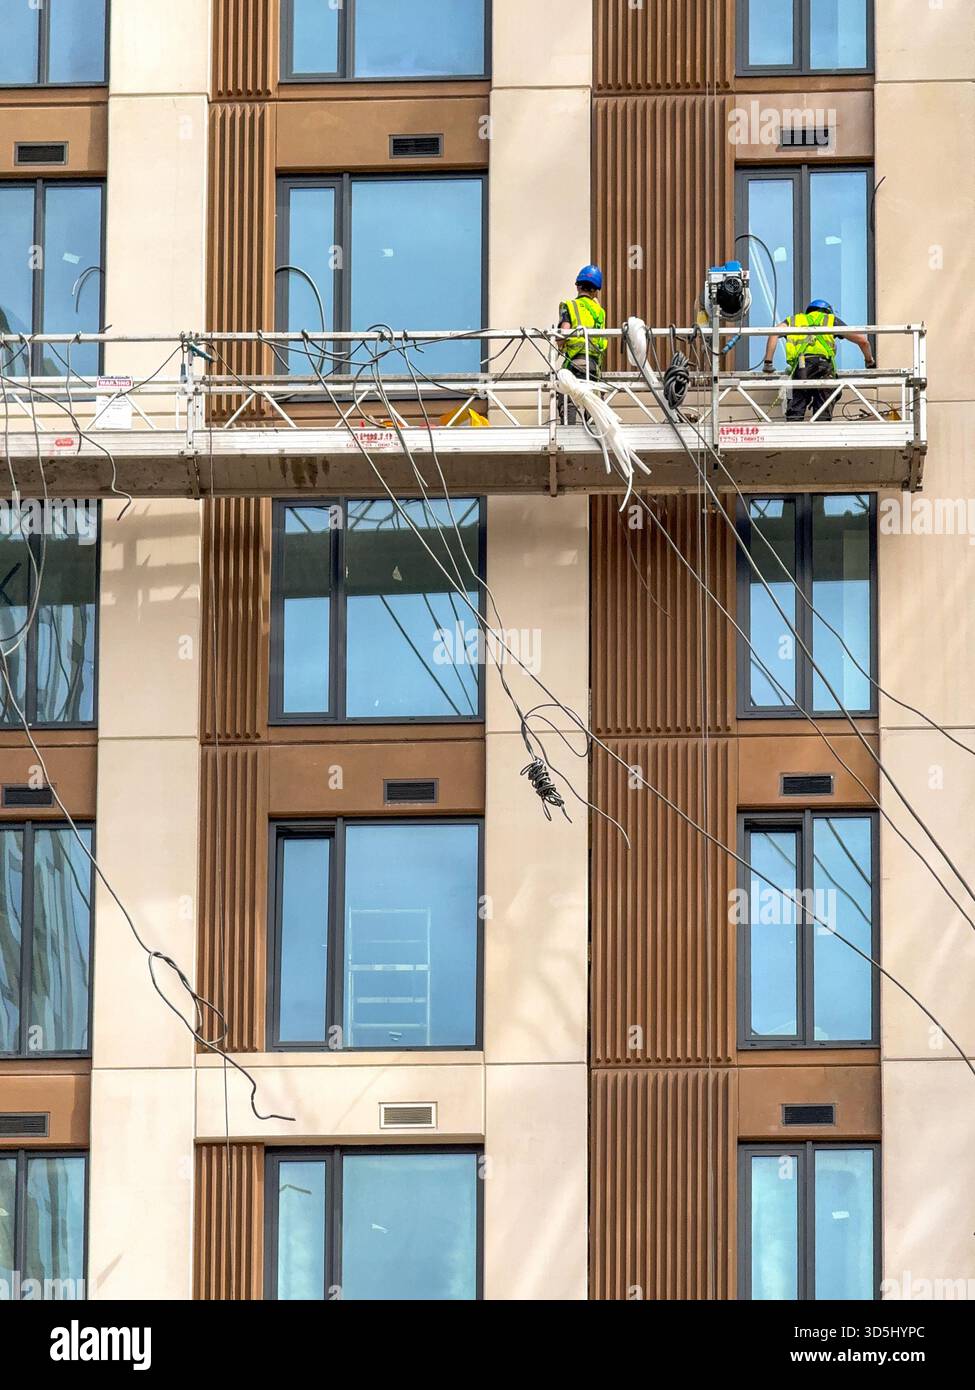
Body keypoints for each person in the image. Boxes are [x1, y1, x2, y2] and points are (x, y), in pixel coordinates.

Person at [763, 300, 875, 421]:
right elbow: (863, 341)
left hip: (801, 368)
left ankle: (794, 432)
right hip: (824, 368)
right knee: (823, 415)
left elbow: (773, 334)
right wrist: (870, 362)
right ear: (827, 311)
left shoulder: (794, 320)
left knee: (795, 414)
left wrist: (768, 363)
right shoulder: (831, 320)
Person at [557, 265, 608, 423]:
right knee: (590, 400)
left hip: (575, 361)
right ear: (595, 291)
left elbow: (563, 333)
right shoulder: (599, 311)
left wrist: (560, 344)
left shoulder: (570, 306)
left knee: (568, 395)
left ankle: (569, 428)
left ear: (578, 286)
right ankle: (593, 429)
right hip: (593, 365)